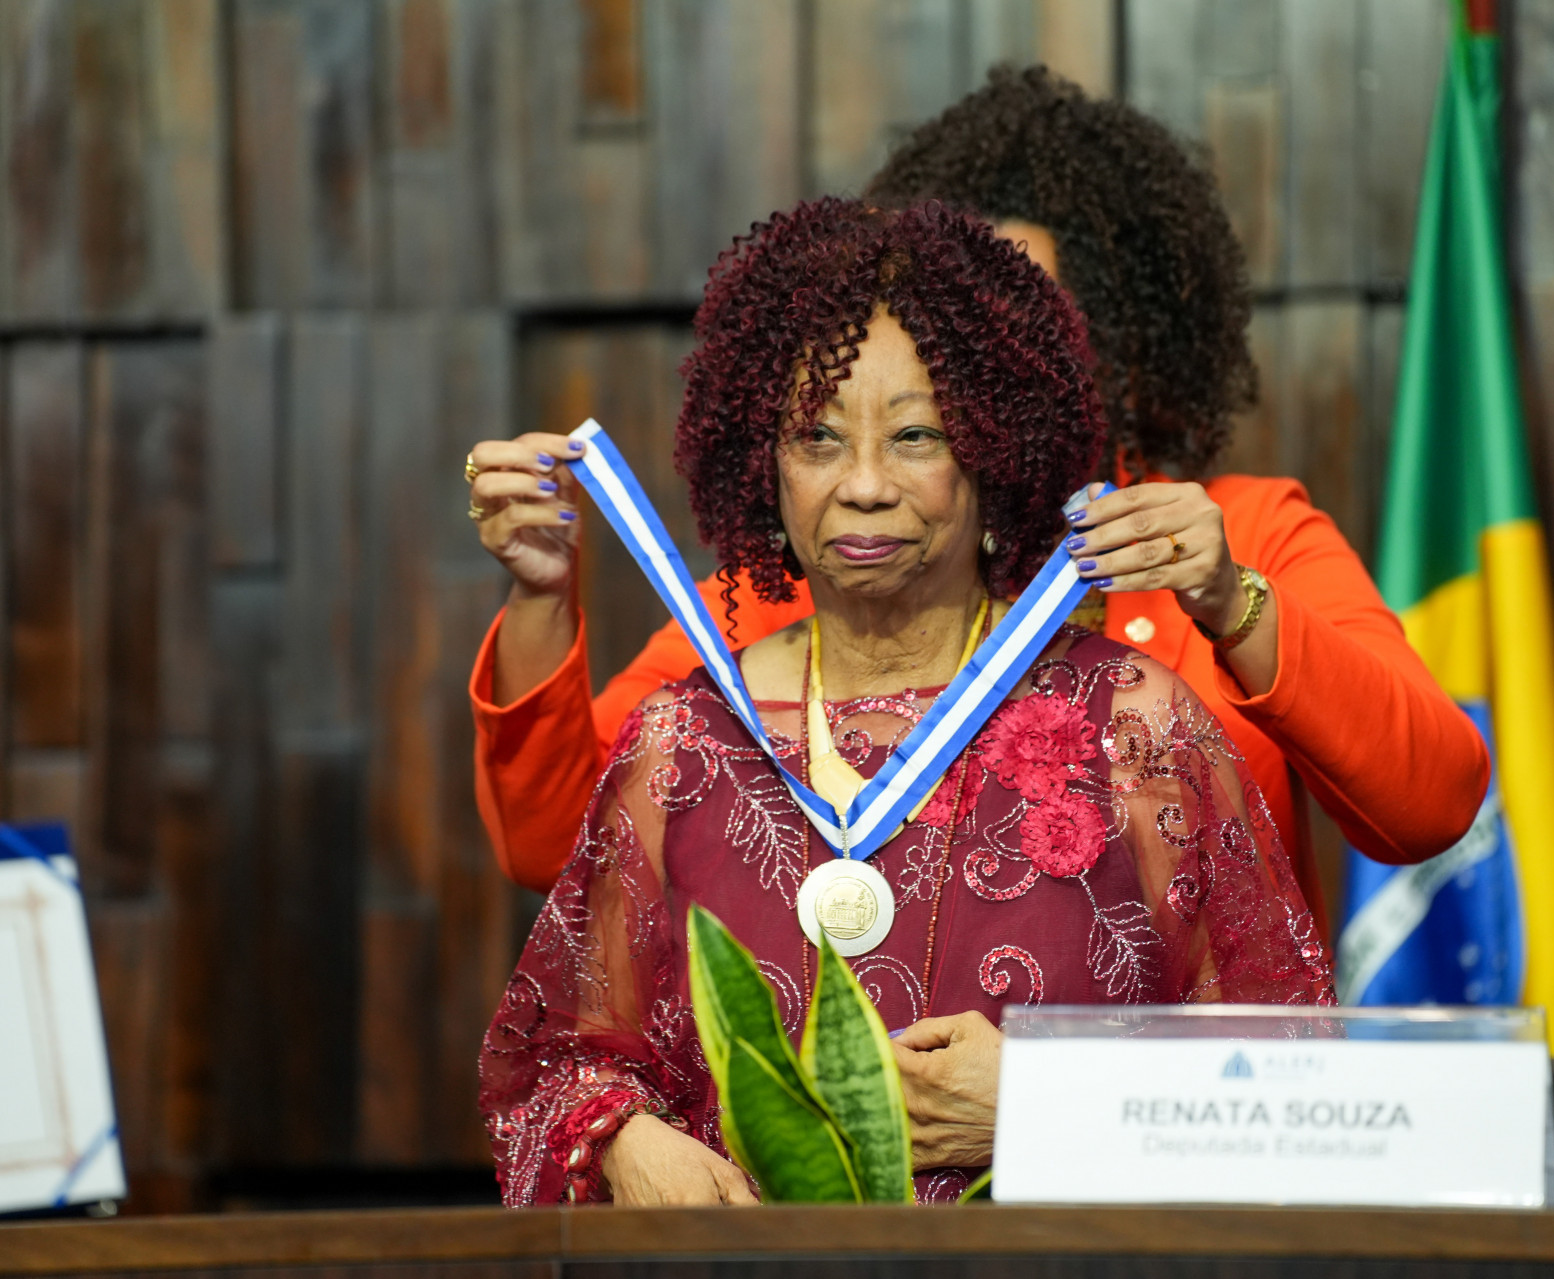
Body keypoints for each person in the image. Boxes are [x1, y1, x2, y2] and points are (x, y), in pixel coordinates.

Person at [467, 67, 1488, 933]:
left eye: (1019, 315)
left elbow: (1431, 806)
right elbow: (556, 844)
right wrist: (541, 602)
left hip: (1174, 1105)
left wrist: (1232, 602)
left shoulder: (1245, 534)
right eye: (950, 318)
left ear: (1109, 330)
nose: (982, 352)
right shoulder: (815, 575)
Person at [479, 199, 1333, 1207]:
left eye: (917, 435)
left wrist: (1054, 1103)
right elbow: (556, 1067)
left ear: (995, 456)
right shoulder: (681, 743)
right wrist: (621, 1142)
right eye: (817, 437)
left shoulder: (1134, 726)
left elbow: (1291, 1082)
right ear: (764, 464)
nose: (865, 485)